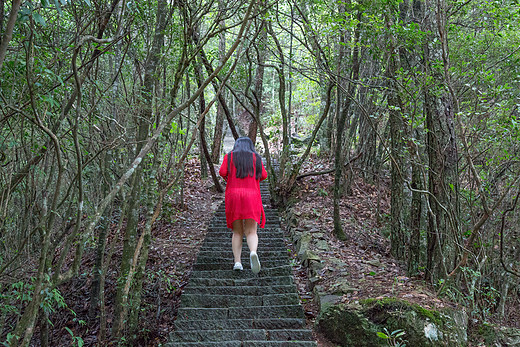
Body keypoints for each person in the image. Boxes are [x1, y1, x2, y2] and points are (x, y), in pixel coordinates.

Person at [219, 137, 267, 274]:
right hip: (252, 196)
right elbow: (263, 175)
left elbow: (222, 172)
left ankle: (238, 262)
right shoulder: (256, 158)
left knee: (237, 231)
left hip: (234, 196)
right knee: (251, 231)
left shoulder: (229, 157)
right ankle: (252, 252)